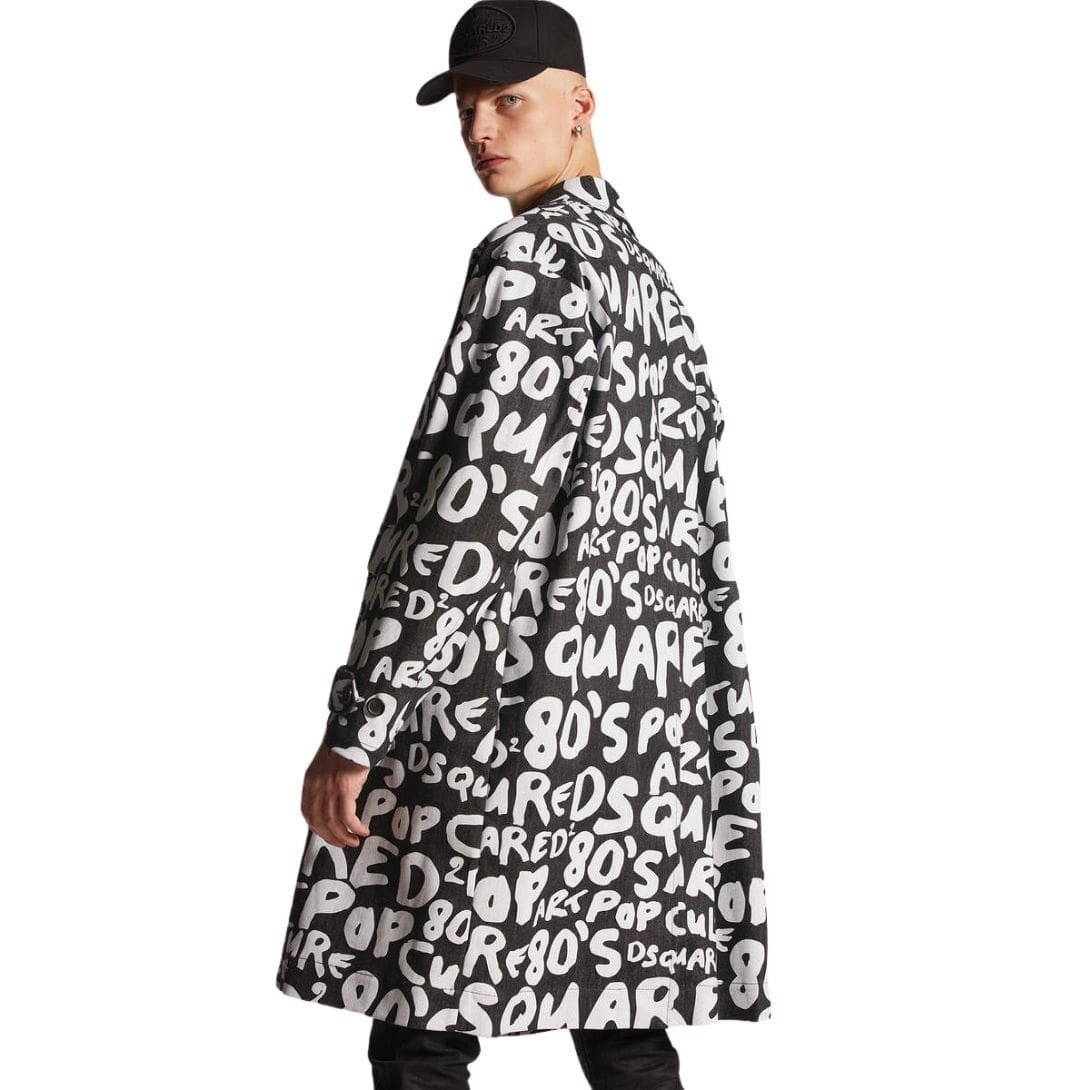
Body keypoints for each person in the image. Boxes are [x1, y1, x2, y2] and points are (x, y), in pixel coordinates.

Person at [274, 3, 771, 1086]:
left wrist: (359, 725)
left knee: (419, 1011)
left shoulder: (529, 262)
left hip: (499, 712)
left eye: (509, 101)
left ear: (580, 103)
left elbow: (473, 511)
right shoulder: (647, 282)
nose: (480, 131)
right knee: (623, 1017)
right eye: (465, 108)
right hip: (638, 738)